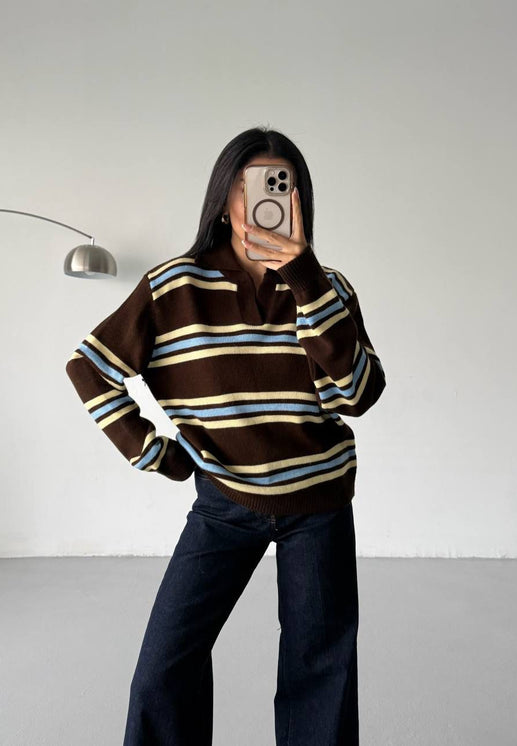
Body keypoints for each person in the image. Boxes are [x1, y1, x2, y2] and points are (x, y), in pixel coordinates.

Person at [65, 126, 386, 745]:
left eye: (281, 185)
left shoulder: (327, 287)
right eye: (249, 185)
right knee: (165, 666)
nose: (263, 200)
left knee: (321, 669)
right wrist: (152, 452)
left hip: (318, 502)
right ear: (223, 199)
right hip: (224, 502)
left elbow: (359, 395)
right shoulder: (174, 287)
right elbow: (90, 366)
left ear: (299, 200)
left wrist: (305, 278)